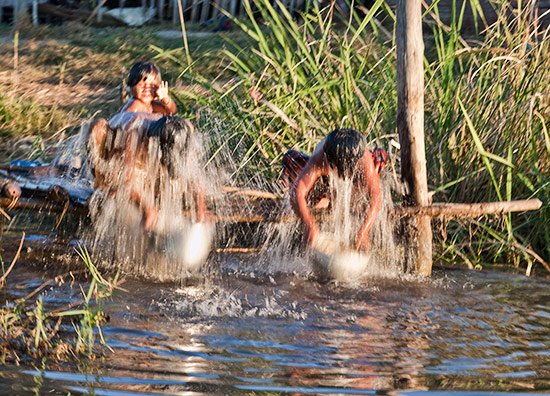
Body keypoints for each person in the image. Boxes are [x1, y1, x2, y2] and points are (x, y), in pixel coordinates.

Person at [88, 61, 206, 231]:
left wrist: (165, 98)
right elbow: (128, 129)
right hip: (127, 150)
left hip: (148, 147)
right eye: (142, 83)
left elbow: (172, 110)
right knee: (127, 178)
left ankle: (200, 217)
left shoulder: (153, 107)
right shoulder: (133, 110)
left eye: (152, 85)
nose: (147, 88)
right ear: (131, 86)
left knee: (191, 175)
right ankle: (149, 211)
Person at [284, 128, 387, 252]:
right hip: (323, 184)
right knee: (290, 159)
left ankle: (350, 202)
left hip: (352, 190)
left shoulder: (365, 161)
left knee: (380, 157)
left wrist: (364, 231)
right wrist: (309, 224)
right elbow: (297, 193)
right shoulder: (320, 159)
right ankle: (324, 199)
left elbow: (376, 198)